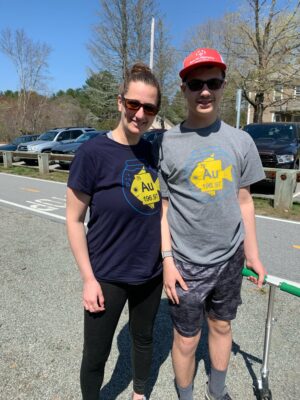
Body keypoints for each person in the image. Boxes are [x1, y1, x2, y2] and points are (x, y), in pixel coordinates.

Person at [157, 48, 266, 400]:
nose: (205, 91)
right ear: (184, 89)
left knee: (221, 325)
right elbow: (163, 207)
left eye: (213, 83)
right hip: (186, 262)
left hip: (229, 257)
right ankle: (185, 396)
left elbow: (245, 201)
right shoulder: (168, 142)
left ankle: (216, 393)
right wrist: (168, 260)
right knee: (187, 339)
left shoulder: (241, 141)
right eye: (195, 84)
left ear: (222, 86)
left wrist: (253, 253)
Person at [66, 63, 163, 400]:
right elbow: (74, 220)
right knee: (96, 355)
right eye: (134, 104)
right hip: (107, 274)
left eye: (149, 107)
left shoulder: (150, 150)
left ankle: (140, 394)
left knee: (144, 337)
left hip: (150, 273)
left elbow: (160, 208)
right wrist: (88, 278)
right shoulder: (92, 154)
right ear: (120, 102)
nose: (140, 114)